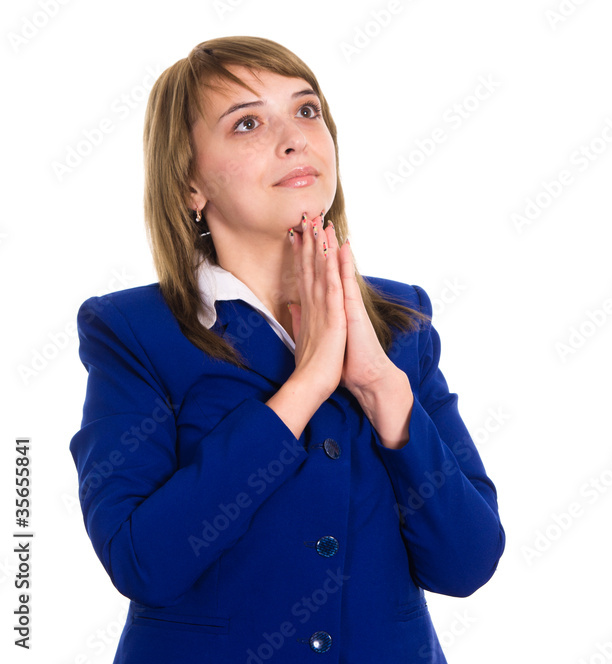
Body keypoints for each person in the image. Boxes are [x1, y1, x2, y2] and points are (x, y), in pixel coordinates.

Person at [69, 36, 504, 663]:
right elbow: (144, 563)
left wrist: (381, 388)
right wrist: (304, 388)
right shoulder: (133, 331)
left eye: (306, 110)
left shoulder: (402, 321)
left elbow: (467, 564)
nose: (295, 137)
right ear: (190, 183)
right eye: (247, 122)